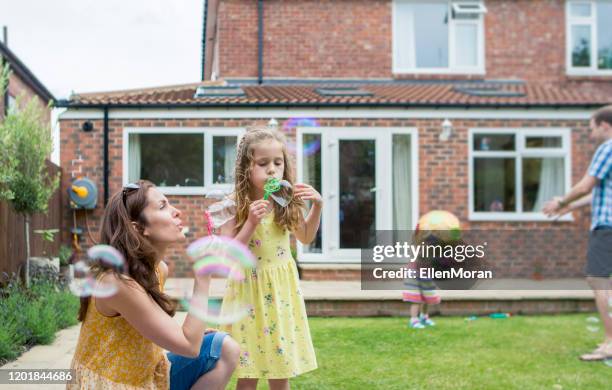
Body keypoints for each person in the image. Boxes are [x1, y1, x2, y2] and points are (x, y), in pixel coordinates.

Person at [68, 180, 239, 389]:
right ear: (139, 228)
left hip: (145, 375)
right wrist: (203, 276)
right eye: (162, 206)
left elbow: (151, 325)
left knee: (223, 348)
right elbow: (189, 346)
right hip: (112, 384)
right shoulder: (118, 284)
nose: (176, 211)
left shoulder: (159, 269)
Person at [217, 126, 322, 390]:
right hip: (247, 291)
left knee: (280, 369)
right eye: (263, 163)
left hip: (280, 293)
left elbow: (306, 236)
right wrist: (251, 222)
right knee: (248, 369)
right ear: (246, 168)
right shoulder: (233, 204)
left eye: (278, 162)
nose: (272, 169)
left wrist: (317, 206)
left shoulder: (283, 201)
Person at [543, 105, 612, 362]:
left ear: (605, 125)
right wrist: (571, 206)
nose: (590, 133)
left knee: (599, 281)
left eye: (592, 128)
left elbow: (586, 185)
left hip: (606, 227)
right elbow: (601, 192)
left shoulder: (607, 148)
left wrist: (561, 201)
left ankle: (610, 342)